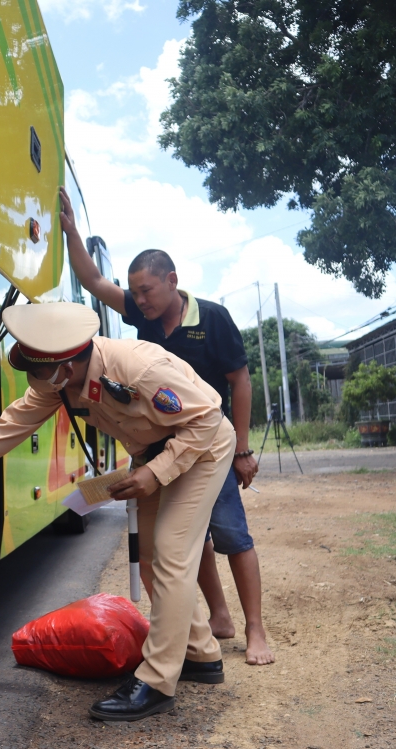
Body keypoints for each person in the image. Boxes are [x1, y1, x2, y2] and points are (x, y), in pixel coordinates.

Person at [0, 301, 234, 721]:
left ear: (66, 366)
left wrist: (155, 474)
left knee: (173, 551)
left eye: (39, 373)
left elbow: (206, 421)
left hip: (201, 448)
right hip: (154, 453)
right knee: (150, 560)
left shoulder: (136, 368)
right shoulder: (59, 382)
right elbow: (14, 421)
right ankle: (199, 653)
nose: (36, 382)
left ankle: (158, 681)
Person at [59, 187, 275, 666]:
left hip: (204, 441)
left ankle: (257, 630)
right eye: (133, 293)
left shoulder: (213, 319)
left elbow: (240, 382)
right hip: (159, 445)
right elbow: (93, 280)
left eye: (146, 291)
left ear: (172, 281)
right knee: (184, 538)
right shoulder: (142, 313)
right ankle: (219, 617)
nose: (137, 302)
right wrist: (72, 231)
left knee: (231, 533)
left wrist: (242, 449)